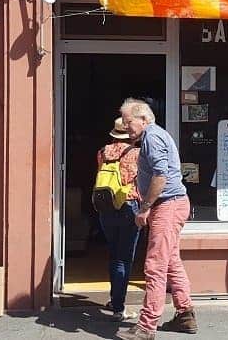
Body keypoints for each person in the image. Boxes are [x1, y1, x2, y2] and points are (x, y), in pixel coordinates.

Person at [116, 98, 197, 340]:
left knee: (155, 266)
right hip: (171, 204)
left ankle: (146, 327)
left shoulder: (152, 136)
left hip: (167, 205)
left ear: (144, 118)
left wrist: (144, 208)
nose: (125, 126)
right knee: (171, 261)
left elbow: (160, 176)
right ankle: (185, 315)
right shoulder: (154, 135)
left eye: (128, 121)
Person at [96, 117, 142, 321]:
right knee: (125, 257)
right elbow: (142, 181)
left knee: (114, 254)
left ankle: (115, 300)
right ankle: (118, 307)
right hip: (128, 206)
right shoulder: (137, 154)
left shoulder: (102, 152)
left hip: (106, 206)